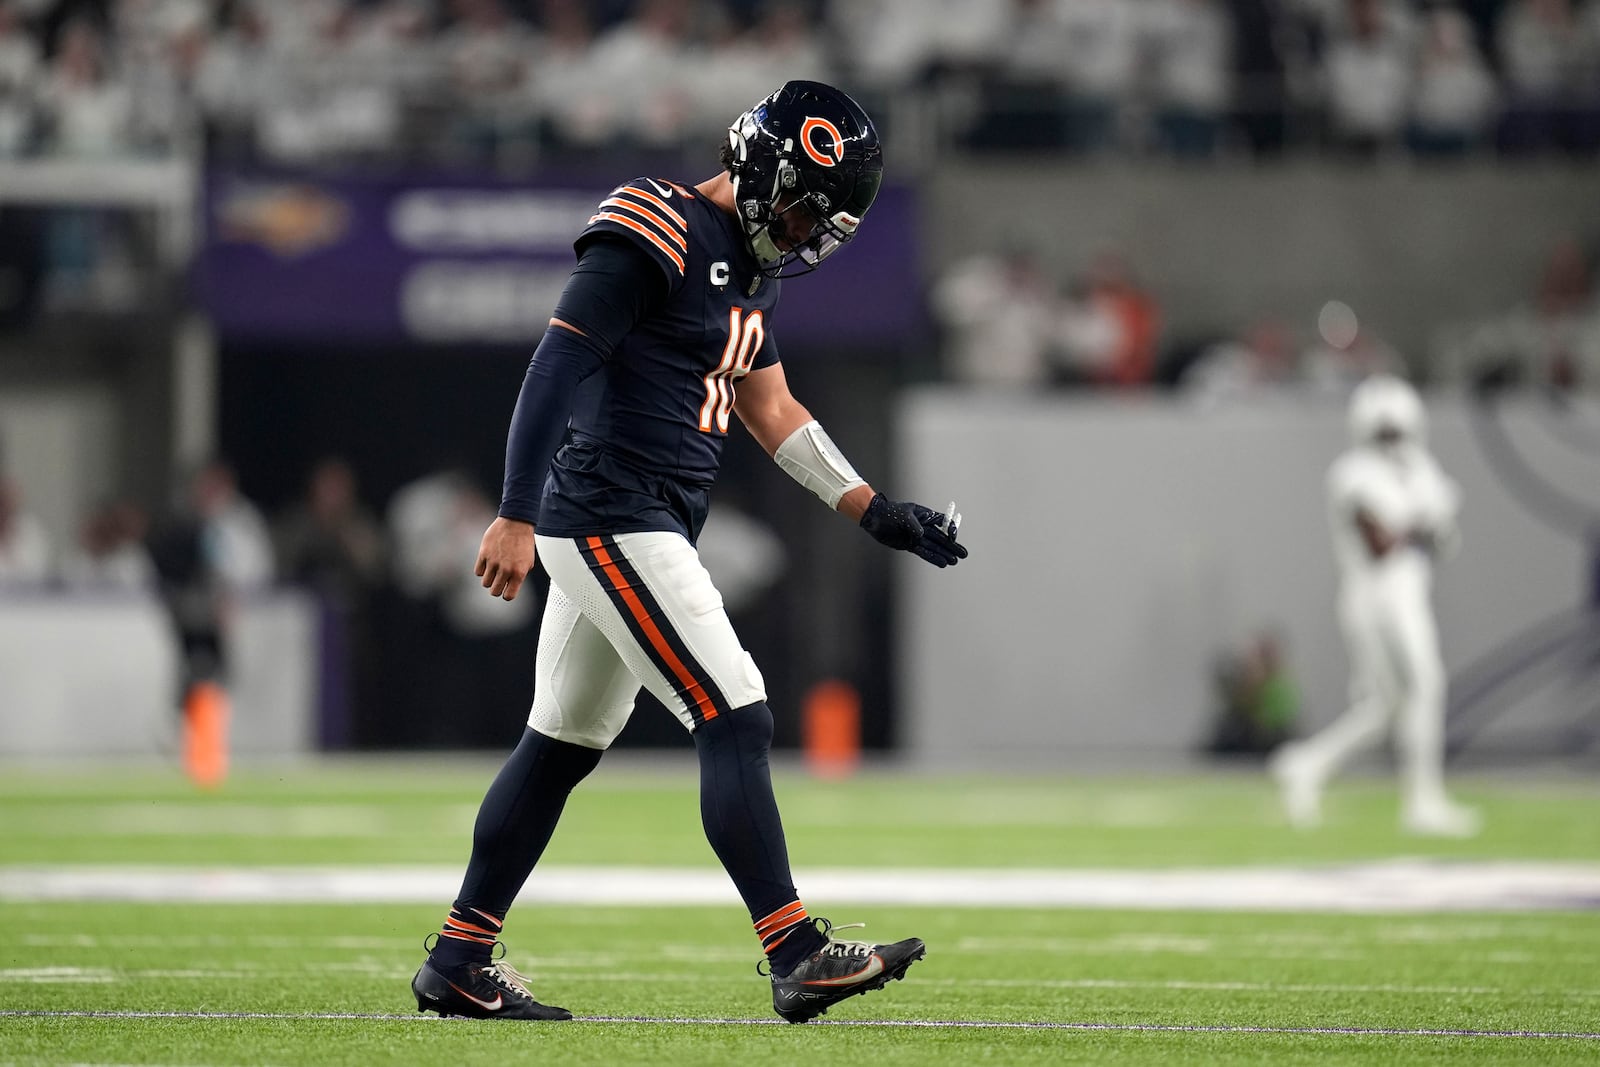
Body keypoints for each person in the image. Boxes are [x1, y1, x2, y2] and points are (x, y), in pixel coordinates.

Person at [409, 80, 967, 1025]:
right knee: (735, 710)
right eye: (796, 208)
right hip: (610, 512)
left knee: (559, 745)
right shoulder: (654, 227)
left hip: (641, 515)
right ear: (755, 166)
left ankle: (460, 958)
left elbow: (772, 406)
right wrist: (510, 512)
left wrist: (876, 511)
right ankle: (795, 951)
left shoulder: (754, 268)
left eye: (816, 222)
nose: (799, 234)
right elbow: (557, 361)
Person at [1270, 374, 1478, 837]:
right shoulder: (1353, 473)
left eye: (1396, 430)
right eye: (1384, 430)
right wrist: (1425, 518)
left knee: (1385, 708)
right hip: (1375, 595)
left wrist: (1433, 522)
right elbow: (1380, 543)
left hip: (1409, 591)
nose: (1392, 439)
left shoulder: (1421, 468)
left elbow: (1444, 542)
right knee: (1425, 685)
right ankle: (1422, 801)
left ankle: (1307, 764)